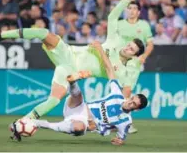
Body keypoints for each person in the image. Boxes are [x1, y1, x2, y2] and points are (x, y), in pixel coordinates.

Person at [0, 0, 144, 128]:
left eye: (132, 49)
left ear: (134, 56)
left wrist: (122, 122)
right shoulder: (114, 42)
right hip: (68, 52)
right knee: (43, 33)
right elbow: (112, 17)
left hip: (71, 71)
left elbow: (123, 98)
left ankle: (22, 122)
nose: (127, 48)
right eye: (129, 45)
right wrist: (125, 1)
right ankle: (0, 35)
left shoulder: (122, 73)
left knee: (54, 100)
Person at [11, 41, 148, 145]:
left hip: (82, 122)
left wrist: (118, 140)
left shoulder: (125, 121)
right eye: (132, 99)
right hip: (78, 106)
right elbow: (109, 69)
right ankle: (72, 81)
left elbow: (120, 138)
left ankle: (36, 123)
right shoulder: (117, 94)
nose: (130, 102)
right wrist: (100, 49)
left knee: (79, 128)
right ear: (131, 96)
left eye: (133, 104)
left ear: (136, 109)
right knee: (79, 96)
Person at [107, 0, 153, 133]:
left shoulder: (144, 26)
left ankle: (122, 120)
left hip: (134, 63)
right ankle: (117, 119)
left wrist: (143, 57)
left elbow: (150, 43)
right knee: (117, 89)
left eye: (135, 9)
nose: (132, 11)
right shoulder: (120, 24)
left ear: (139, 12)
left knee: (127, 90)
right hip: (119, 60)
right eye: (130, 8)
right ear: (126, 10)